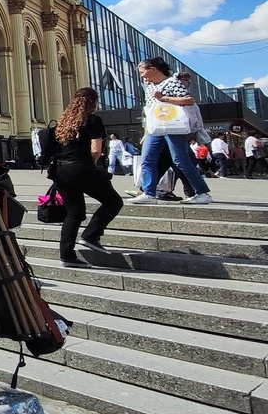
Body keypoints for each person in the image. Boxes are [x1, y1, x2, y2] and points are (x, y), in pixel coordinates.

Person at [47, 88, 124, 267]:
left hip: (60, 171)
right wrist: (91, 165)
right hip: (81, 168)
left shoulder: (62, 122)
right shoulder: (93, 120)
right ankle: (90, 235)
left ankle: (67, 256)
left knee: (74, 213)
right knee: (113, 202)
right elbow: (96, 150)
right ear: (93, 102)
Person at [131, 57, 212, 205]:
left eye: (143, 72)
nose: (142, 76)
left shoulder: (171, 82)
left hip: (172, 126)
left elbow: (188, 100)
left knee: (180, 160)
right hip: (155, 127)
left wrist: (164, 98)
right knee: (147, 159)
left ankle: (202, 192)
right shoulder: (149, 87)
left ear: (153, 69)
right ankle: (149, 193)